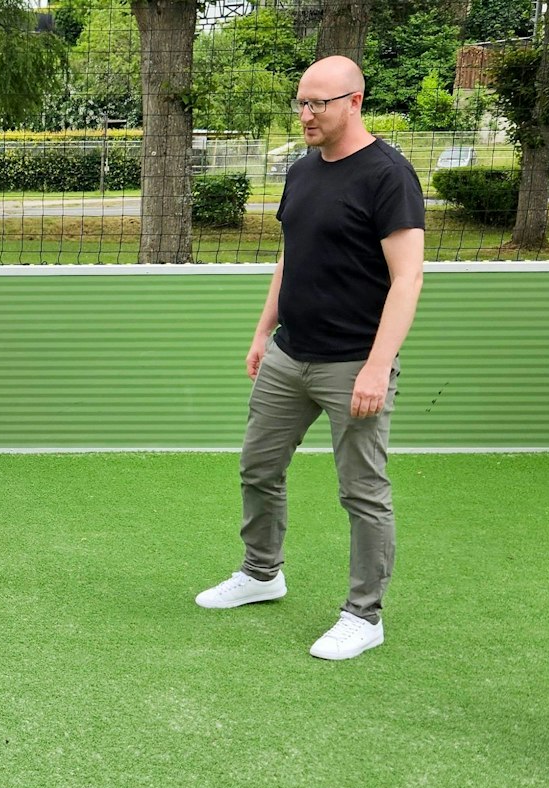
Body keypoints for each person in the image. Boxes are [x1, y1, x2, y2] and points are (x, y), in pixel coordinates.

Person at [193, 55, 426, 660]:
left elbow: (407, 281)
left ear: (354, 101)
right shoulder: (301, 173)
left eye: (318, 103)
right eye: (301, 102)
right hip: (289, 354)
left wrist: (378, 366)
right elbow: (290, 257)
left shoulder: (388, 176)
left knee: (362, 492)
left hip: (354, 363)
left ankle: (364, 614)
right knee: (257, 467)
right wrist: (262, 330)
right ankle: (262, 573)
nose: (306, 114)